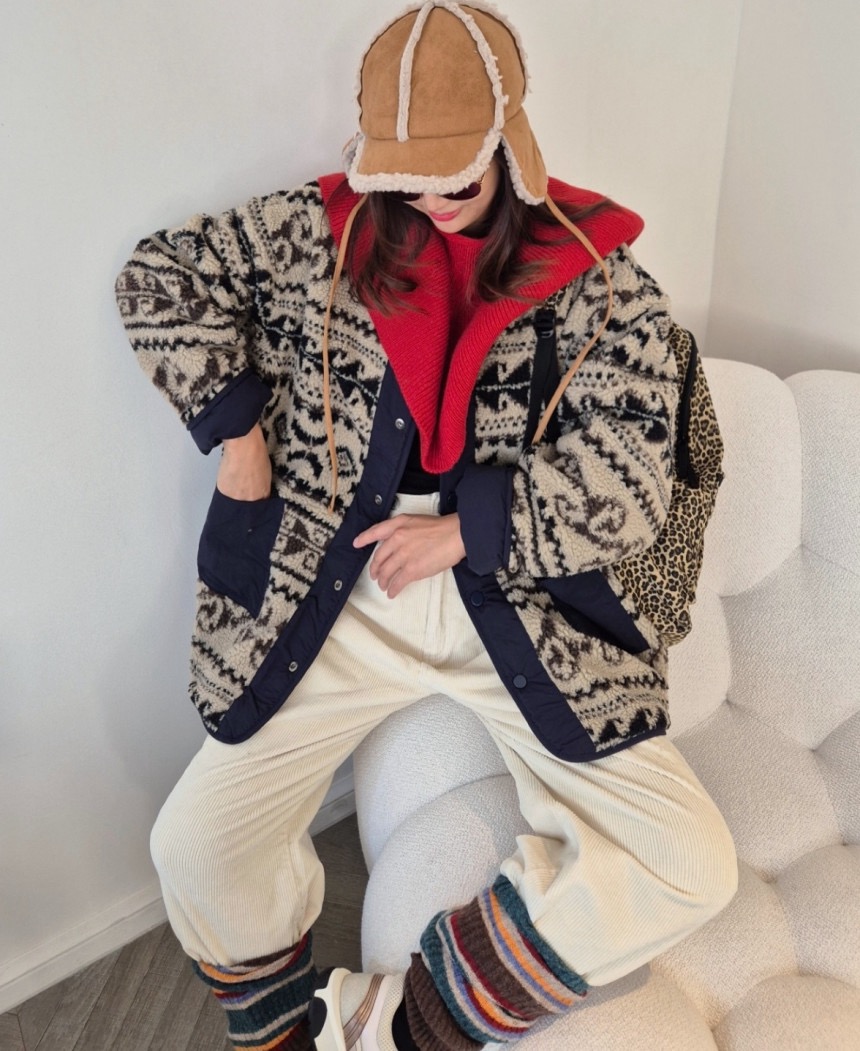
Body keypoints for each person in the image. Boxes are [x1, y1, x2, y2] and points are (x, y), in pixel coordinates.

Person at [114, 3, 737, 1049]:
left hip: (519, 596)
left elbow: (630, 481)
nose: (431, 200)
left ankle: (409, 1018)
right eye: (403, 176)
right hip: (338, 587)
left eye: (457, 174)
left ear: (508, 145)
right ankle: (292, 1027)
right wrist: (239, 440)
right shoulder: (313, 234)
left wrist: (465, 531)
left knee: (692, 861)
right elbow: (155, 279)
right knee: (195, 844)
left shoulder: (600, 278)